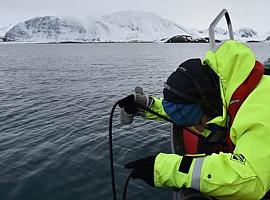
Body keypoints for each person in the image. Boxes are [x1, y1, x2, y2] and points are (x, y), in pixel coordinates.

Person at [119, 40, 270, 200]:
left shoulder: (260, 109)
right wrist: (148, 106)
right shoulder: (223, 89)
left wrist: (165, 168)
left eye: (198, 122)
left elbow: (250, 179)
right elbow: (190, 110)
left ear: (210, 106)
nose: (197, 129)